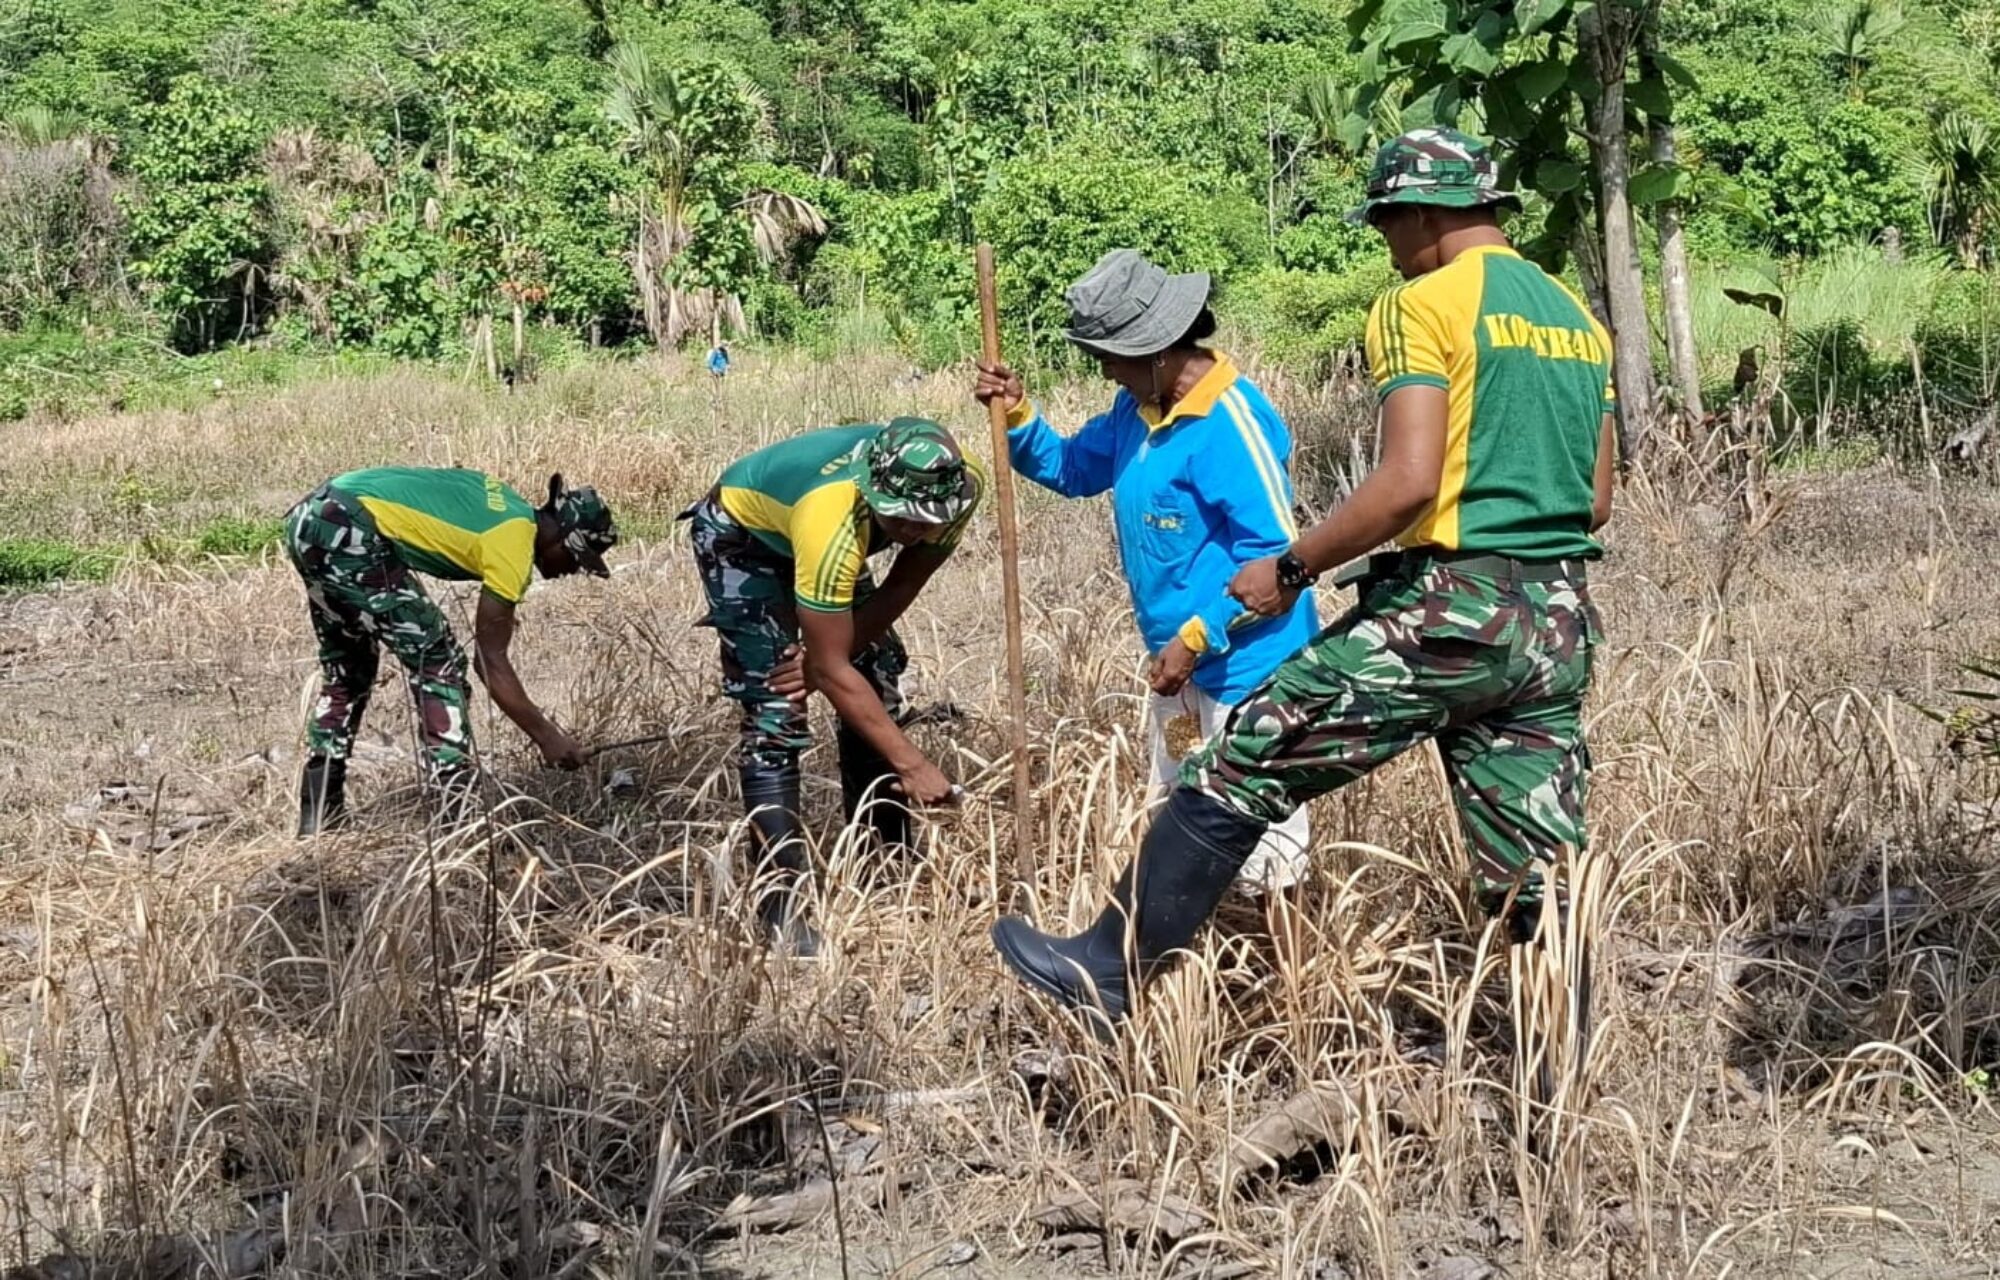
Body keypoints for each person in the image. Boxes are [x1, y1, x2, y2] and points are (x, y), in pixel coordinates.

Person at [990, 127, 1617, 1042]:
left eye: (1387, 225)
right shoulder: (1575, 317)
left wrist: (1292, 568)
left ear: (1425, 215)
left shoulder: (1421, 305)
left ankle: (1111, 967)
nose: (1389, 246)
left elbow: (1404, 483)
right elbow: (1594, 500)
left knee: (1246, 761)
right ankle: (1559, 1079)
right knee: (1536, 877)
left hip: (1451, 610)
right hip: (1555, 622)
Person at [973, 248, 1317, 894]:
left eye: (1110, 358)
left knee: (1265, 849)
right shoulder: (1136, 412)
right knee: (1187, 826)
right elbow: (1072, 468)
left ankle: (1284, 979)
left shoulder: (1229, 425)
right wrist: (1018, 413)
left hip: (1249, 668)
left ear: (1158, 350)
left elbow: (1278, 563)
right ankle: (1202, 969)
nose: (1104, 370)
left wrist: (1195, 638)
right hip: (1178, 668)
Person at [686, 418, 984, 955]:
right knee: (776, 705)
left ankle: (886, 861)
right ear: (873, 492)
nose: (914, 530)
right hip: (745, 539)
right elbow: (826, 670)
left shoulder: (959, 489)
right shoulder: (832, 516)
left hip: (826, 534)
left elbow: (903, 583)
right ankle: (781, 911)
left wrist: (834, 658)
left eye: (925, 521)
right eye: (902, 518)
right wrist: (911, 762)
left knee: (875, 674)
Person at [286, 467, 619, 836]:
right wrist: (548, 738)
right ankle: (455, 811)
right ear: (566, 540)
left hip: (313, 517)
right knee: (439, 659)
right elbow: (489, 662)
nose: (570, 572)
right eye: (578, 561)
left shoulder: (507, 503)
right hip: (351, 529)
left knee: (349, 667)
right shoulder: (514, 542)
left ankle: (317, 815)